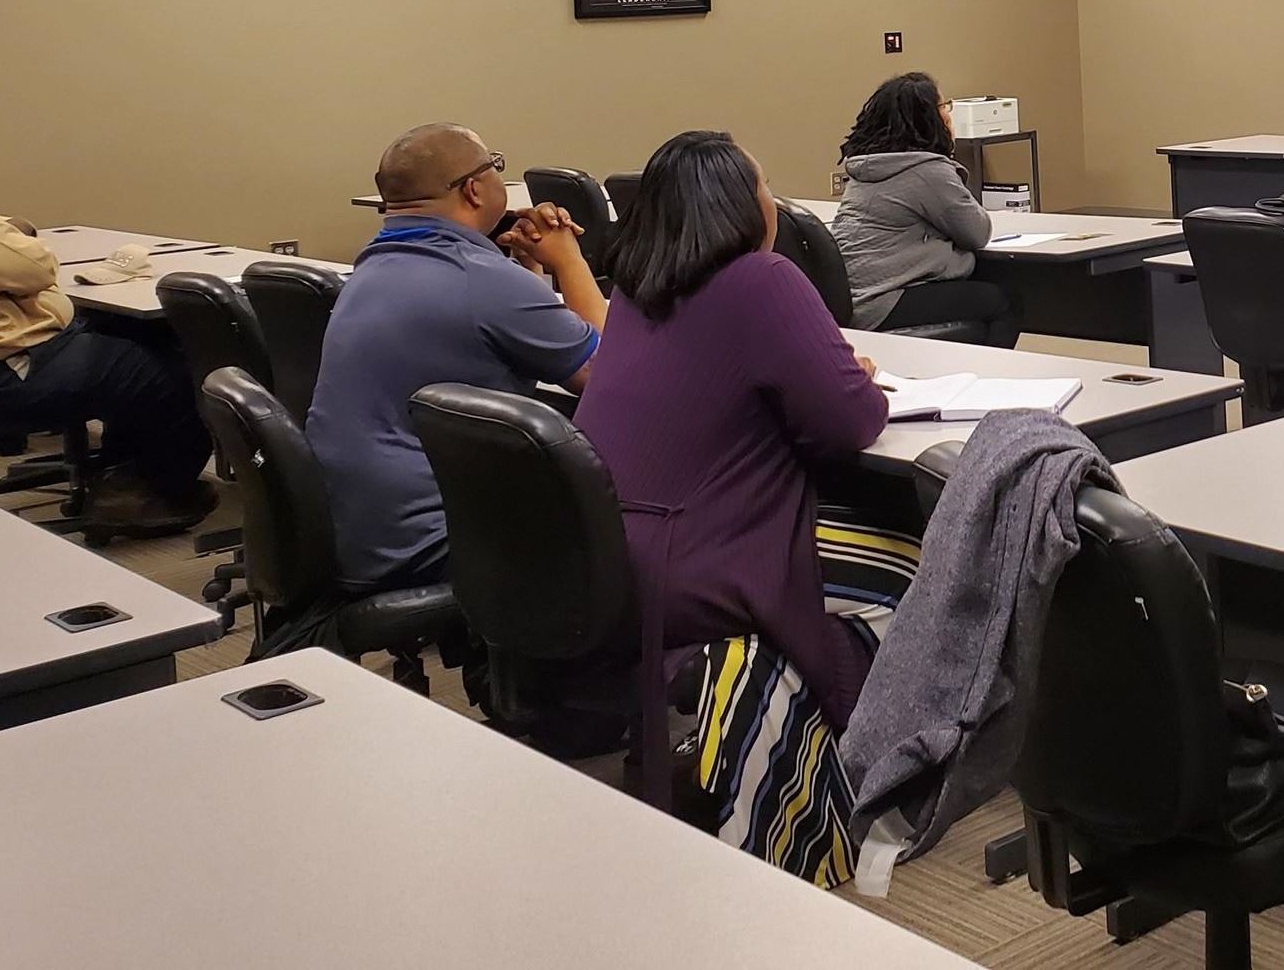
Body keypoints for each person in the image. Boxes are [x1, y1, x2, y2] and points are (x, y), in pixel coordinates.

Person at [577, 130, 907, 880]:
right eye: (765, 190)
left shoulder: (633, 289)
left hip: (612, 551)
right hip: (698, 565)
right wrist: (842, 371)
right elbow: (850, 421)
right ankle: (873, 768)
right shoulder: (764, 280)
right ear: (740, 208)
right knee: (919, 562)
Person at [305, 123, 605, 593]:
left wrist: (528, 272)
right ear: (473, 188)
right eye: (494, 168)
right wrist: (569, 260)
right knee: (624, 524)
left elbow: (491, 330)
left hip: (352, 526)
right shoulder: (479, 277)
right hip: (429, 538)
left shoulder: (375, 264)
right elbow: (607, 376)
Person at [0, 103, 213, 533]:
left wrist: (8, 235)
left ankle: (120, 474)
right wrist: (17, 238)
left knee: (133, 332)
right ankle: (145, 493)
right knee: (174, 368)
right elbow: (32, 268)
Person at [831, 74, 1017, 347]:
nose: (949, 115)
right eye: (945, 107)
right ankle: (988, 384)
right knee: (1004, 302)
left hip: (853, 298)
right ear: (930, 118)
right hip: (883, 301)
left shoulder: (867, 167)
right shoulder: (928, 171)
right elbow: (978, 232)